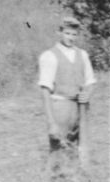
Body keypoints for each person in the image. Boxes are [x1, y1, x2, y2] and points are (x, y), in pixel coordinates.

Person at [38, 15, 95, 161]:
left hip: (80, 109)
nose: (71, 37)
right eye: (67, 33)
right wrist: (52, 123)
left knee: (78, 151)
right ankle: (55, 181)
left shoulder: (82, 55)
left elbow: (90, 81)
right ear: (60, 33)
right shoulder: (49, 56)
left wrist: (88, 93)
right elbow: (45, 91)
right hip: (60, 108)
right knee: (58, 152)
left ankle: (77, 180)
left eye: (74, 34)